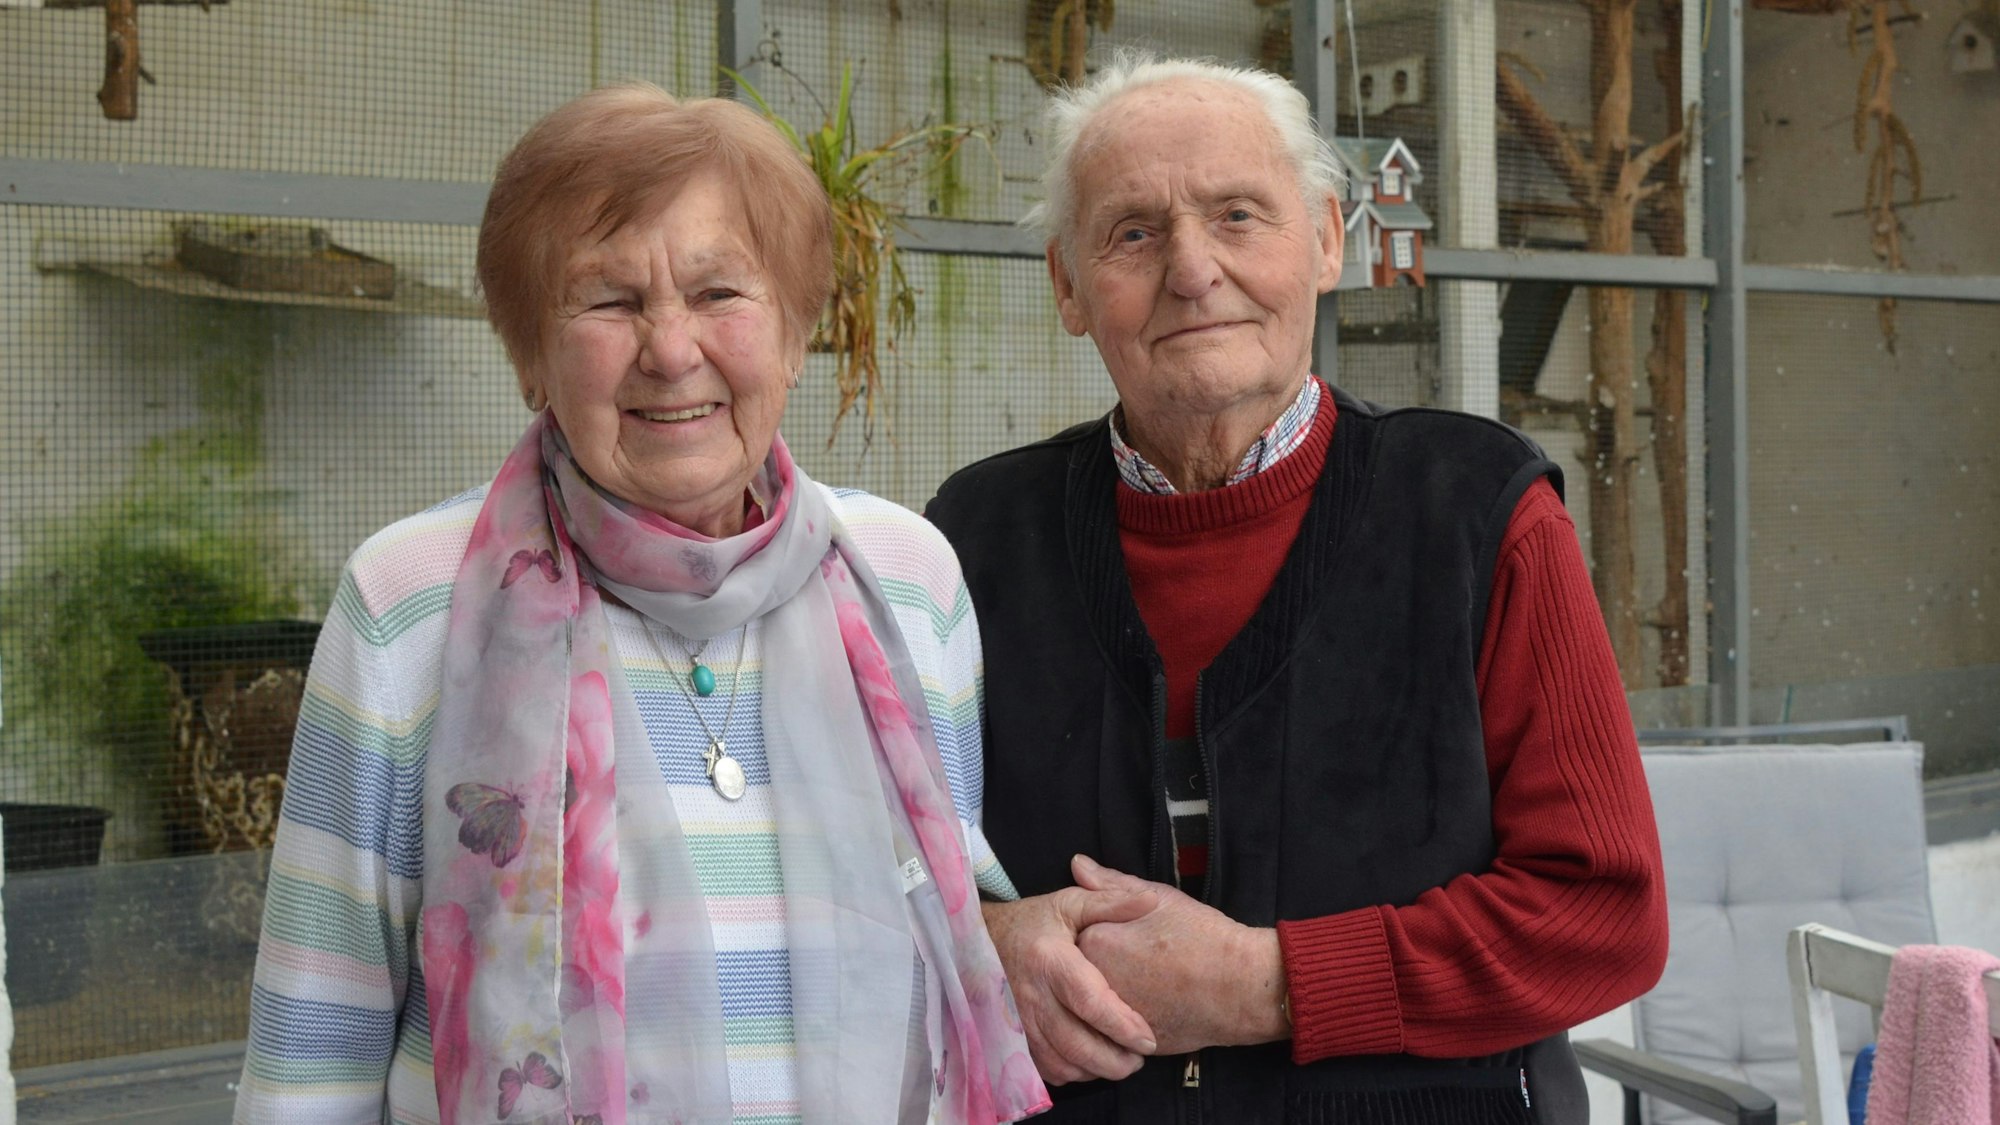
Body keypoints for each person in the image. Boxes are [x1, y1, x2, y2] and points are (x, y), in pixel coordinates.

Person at [234, 83, 1049, 1125]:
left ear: (797, 332)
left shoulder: (906, 578)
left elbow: (945, 926)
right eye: (609, 301)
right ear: (530, 352)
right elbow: (317, 1038)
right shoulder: (410, 600)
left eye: (719, 294)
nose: (670, 350)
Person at [925, 52, 1669, 1123]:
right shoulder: (972, 540)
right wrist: (988, 942)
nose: (1191, 270)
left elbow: (1598, 913)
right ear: (1068, 288)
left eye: (1237, 216)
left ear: (1326, 241)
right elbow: (874, 879)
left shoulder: (1474, 513)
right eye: (1132, 232)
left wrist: (1258, 984)